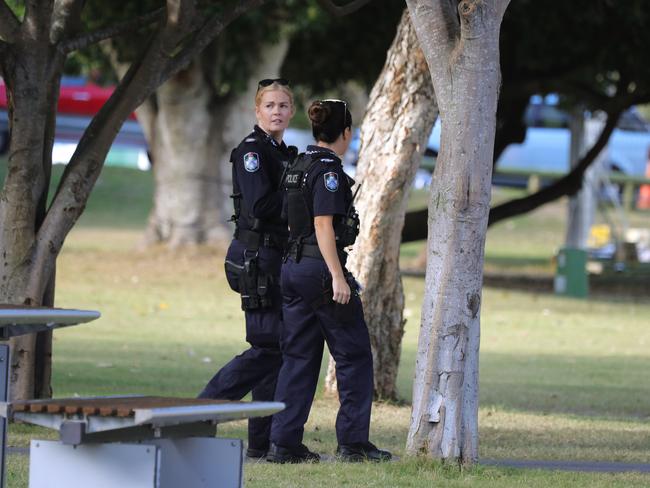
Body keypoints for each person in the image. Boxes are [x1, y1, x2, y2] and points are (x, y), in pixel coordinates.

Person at [267, 99, 392, 464]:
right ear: (347, 133)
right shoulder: (329, 171)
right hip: (320, 271)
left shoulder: (297, 165)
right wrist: (338, 276)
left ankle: (283, 443)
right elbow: (323, 225)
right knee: (354, 355)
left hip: (292, 269)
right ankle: (353, 443)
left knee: (298, 359)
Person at [199, 79, 297, 459]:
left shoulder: (284, 152)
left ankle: (263, 442)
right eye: (270, 105)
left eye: (283, 105)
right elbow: (259, 207)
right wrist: (301, 204)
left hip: (276, 256)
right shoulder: (253, 151)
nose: (276, 111)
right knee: (266, 346)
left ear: (291, 111)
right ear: (257, 111)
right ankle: (200, 411)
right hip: (256, 258)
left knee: (276, 346)